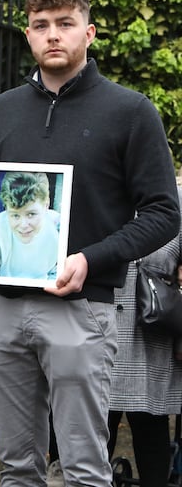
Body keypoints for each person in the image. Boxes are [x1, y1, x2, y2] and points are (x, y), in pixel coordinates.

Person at [0, 0, 180, 487]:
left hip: (81, 303)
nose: (53, 35)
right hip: (2, 301)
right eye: (41, 26)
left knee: (84, 469)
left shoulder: (131, 111)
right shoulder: (6, 109)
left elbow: (163, 213)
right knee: (17, 466)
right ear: (29, 35)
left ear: (89, 32)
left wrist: (91, 259)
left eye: (65, 24)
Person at [107, 187, 182, 487]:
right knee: (92, 430)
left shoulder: (174, 197)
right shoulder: (101, 182)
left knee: (152, 430)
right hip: (98, 328)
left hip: (154, 334)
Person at [0, 171, 61, 280]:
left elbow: (57, 274)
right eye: (15, 215)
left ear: (46, 206)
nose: (23, 225)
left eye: (31, 214)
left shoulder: (58, 226)